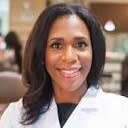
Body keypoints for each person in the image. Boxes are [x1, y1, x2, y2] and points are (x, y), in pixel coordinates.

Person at [0, 3, 128, 128]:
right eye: (56, 45)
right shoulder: (15, 116)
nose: (69, 57)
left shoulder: (122, 113)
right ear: (41, 54)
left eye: (80, 44)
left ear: (94, 51)